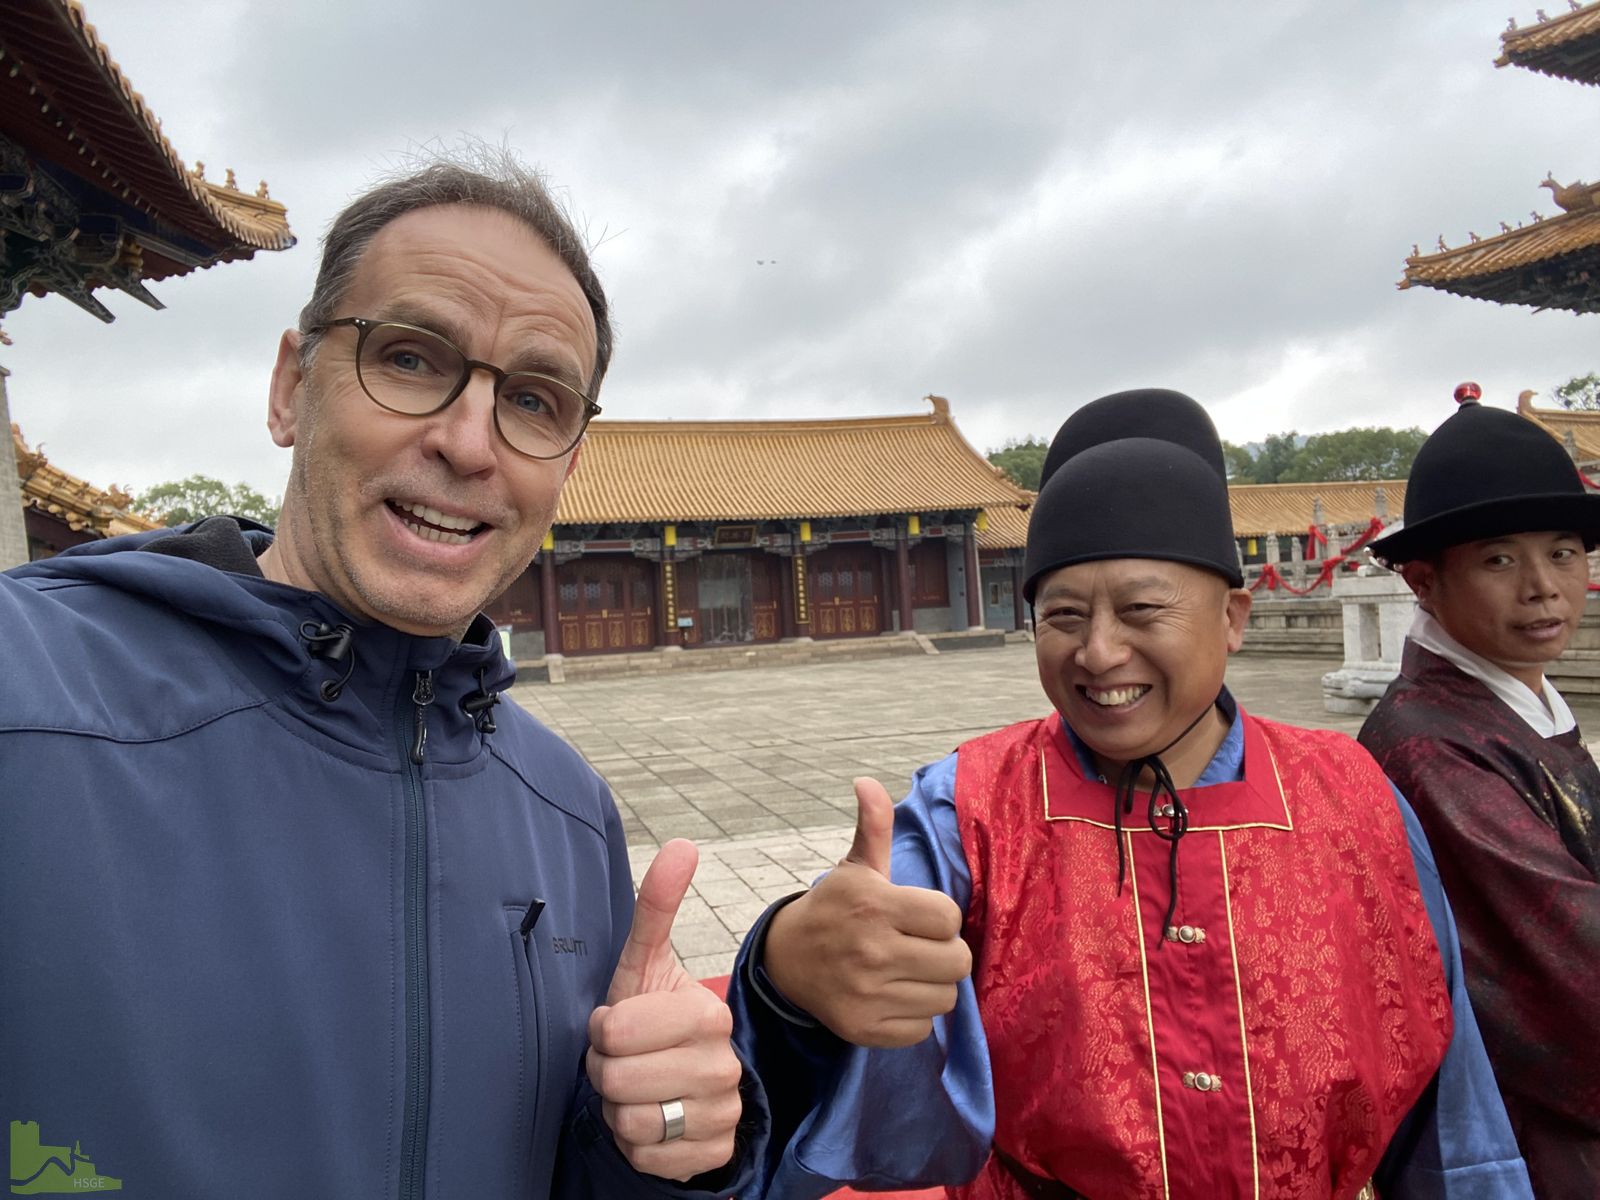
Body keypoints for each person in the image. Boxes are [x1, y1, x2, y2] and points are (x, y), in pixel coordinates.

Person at [0, 150, 759, 1198]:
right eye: (408, 358)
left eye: (535, 401)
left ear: (569, 466)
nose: (466, 443)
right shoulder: (27, 706)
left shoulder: (568, 811)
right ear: (288, 387)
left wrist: (662, 1143)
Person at [728, 389, 1531, 1199]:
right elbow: (864, 958)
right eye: (1064, 615)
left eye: (1144, 609)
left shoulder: (1351, 794)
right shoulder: (966, 805)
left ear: (1234, 618)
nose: (1100, 652)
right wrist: (787, 967)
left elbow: (1448, 1094)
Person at [1358, 385, 1600, 1199]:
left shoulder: (1515, 710)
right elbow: (1571, 978)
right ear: (1425, 582)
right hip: (1531, 1151)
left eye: (1563, 552)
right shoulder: (1433, 747)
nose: (1543, 587)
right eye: (1500, 559)